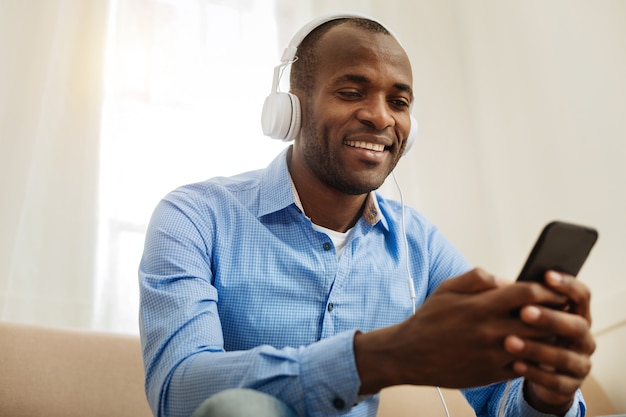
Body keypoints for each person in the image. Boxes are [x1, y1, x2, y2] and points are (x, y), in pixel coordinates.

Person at [138, 12, 595, 417]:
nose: (380, 117)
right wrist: (384, 356)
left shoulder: (420, 245)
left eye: (399, 102)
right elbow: (179, 391)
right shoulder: (196, 216)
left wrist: (546, 395)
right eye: (352, 91)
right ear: (291, 109)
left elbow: (502, 401)